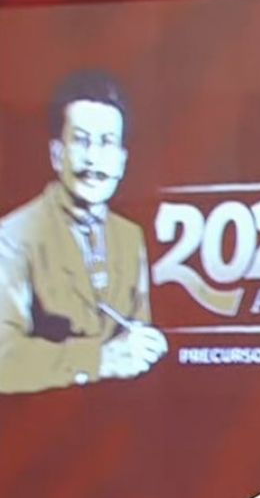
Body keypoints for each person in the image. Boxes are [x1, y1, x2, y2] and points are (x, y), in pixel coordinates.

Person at [0, 69, 168, 394]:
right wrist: (100, 360)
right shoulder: (13, 237)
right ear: (57, 154)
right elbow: (3, 360)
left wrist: (147, 347)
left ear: (121, 161)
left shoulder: (130, 237)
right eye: (80, 141)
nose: (93, 159)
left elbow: (134, 339)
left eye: (107, 143)